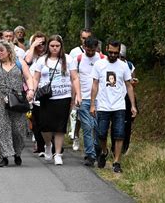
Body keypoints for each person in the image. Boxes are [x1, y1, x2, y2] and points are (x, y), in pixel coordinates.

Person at [32, 35, 81, 165]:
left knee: (60, 127)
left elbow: (75, 78)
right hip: (46, 97)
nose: (54, 48)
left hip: (63, 96)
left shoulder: (68, 60)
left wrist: (78, 95)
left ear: (61, 46)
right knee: (45, 126)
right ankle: (48, 144)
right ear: (48, 46)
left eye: (57, 46)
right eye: (52, 46)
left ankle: (58, 153)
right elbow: (36, 78)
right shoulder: (42, 60)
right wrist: (32, 91)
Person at [0, 41, 34, 167]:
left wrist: (31, 90)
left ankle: (17, 153)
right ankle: (5, 156)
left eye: (1, 50)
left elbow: (28, 77)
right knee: (2, 128)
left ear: (9, 51)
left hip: (17, 98)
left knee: (18, 129)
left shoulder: (19, 62)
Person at [90, 40, 137, 173]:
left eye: (115, 53)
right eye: (110, 52)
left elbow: (129, 86)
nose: (112, 55)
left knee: (119, 134)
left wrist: (132, 105)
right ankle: (104, 152)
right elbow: (95, 85)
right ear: (106, 49)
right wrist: (92, 104)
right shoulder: (99, 65)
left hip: (119, 105)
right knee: (101, 133)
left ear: (119, 52)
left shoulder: (123, 66)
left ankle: (117, 162)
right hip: (103, 105)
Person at [72, 37, 105, 166]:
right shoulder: (78, 59)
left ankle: (97, 149)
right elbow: (74, 79)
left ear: (96, 48)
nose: (90, 52)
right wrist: (76, 96)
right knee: (87, 127)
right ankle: (90, 155)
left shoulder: (103, 59)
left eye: (93, 50)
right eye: (88, 49)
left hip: (99, 99)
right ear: (84, 47)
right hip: (84, 98)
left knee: (98, 127)